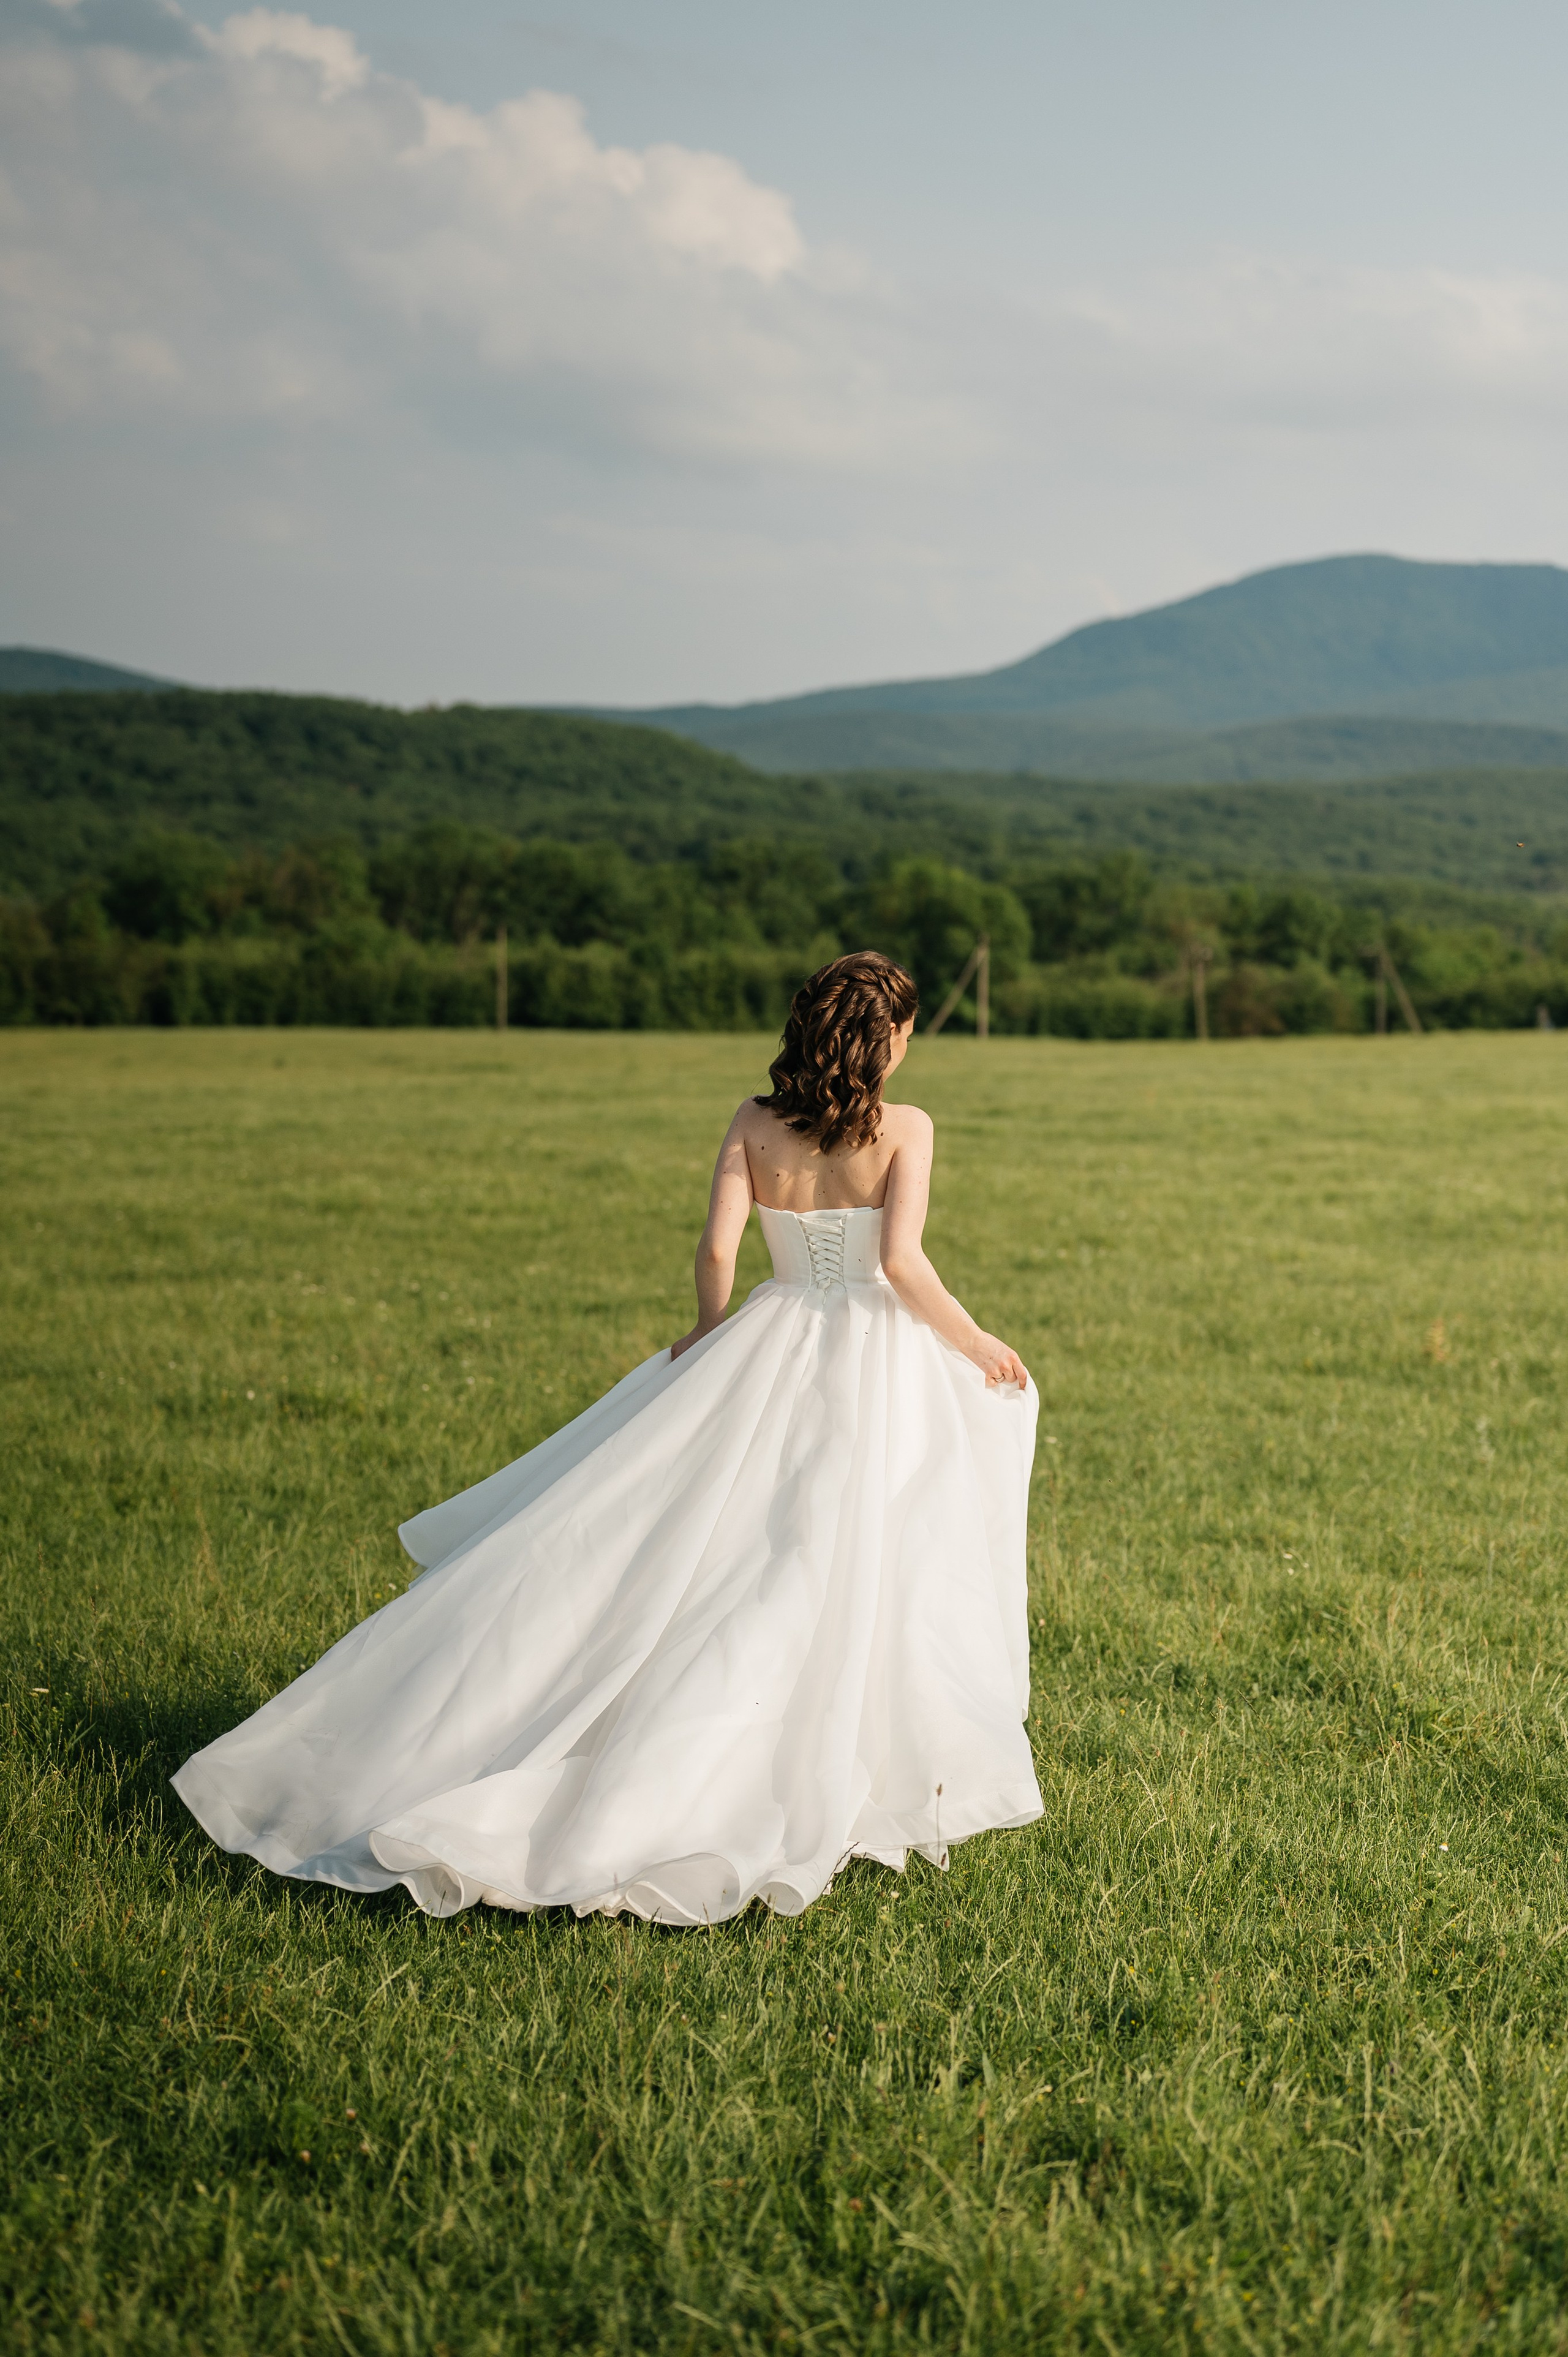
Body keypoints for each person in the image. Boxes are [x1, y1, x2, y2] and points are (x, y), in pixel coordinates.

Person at [173, 951, 1042, 1923]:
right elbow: (900, 1260)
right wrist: (974, 1342)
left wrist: (713, 1339)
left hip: (771, 1332)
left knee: (711, 1544)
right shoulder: (906, 1128)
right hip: (872, 1356)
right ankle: (837, 1748)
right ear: (889, 1040)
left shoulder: (755, 1124)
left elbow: (718, 1248)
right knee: (850, 1548)